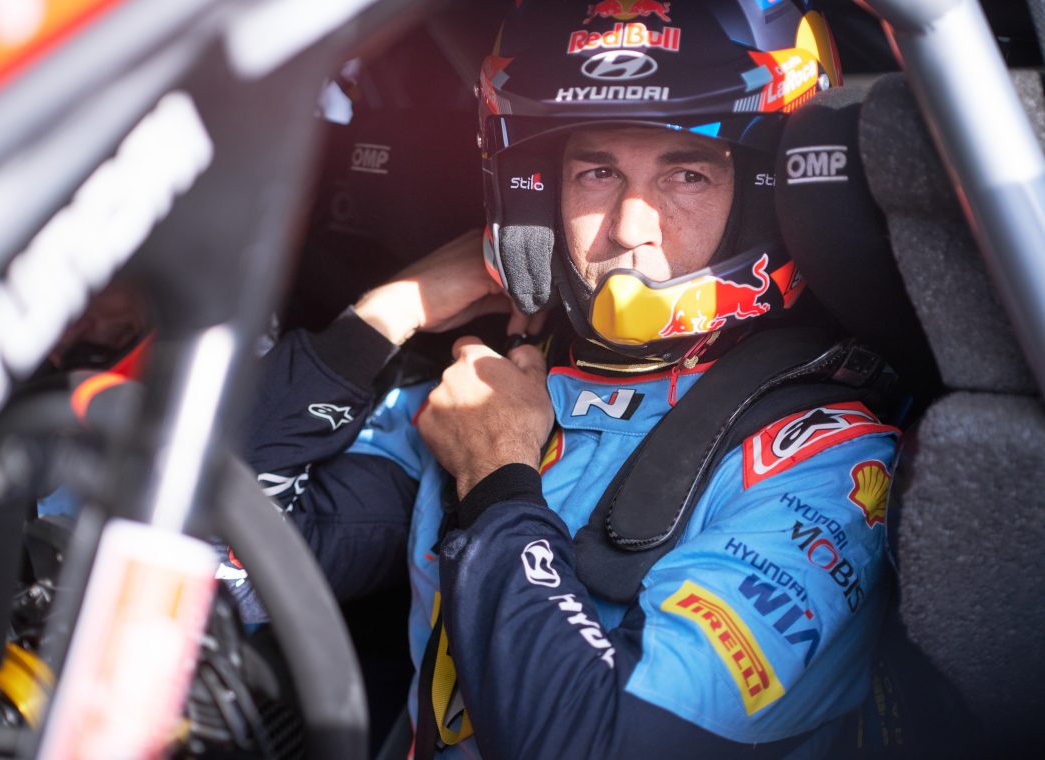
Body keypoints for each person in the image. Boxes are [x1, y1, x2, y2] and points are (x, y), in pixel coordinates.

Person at [231, 1, 898, 756]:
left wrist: (496, 479)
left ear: (763, 197)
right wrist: (385, 315)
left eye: (687, 173)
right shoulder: (489, 389)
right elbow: (218, 561)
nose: (630, 227)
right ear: (534, 197)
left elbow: (599, 744)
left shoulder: (825, 462)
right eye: (597, 172)